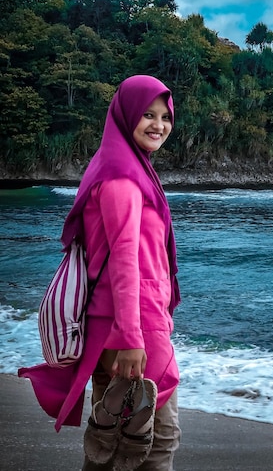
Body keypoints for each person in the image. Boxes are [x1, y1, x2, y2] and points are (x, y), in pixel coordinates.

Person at [19, 75, 181, 471]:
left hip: (125, 320)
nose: (158, 125)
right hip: (133, 324)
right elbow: (126, 259)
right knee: (156, 440)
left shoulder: (121, 165)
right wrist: (130, 336)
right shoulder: (123, 178)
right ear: (126, 116)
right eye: (147, 114)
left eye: (165, 116)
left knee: (116, 436)